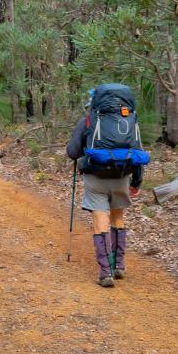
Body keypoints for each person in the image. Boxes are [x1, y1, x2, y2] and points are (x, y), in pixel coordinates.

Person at [66, 87, 143, 288]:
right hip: (122, 176)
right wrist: (136, 182)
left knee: (101, 221)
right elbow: (137, 149)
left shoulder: (88, 121)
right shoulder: (128, 120)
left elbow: (73, 152)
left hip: (96, 178)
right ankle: (119, 266)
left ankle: (105, 273)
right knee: (118, 218)